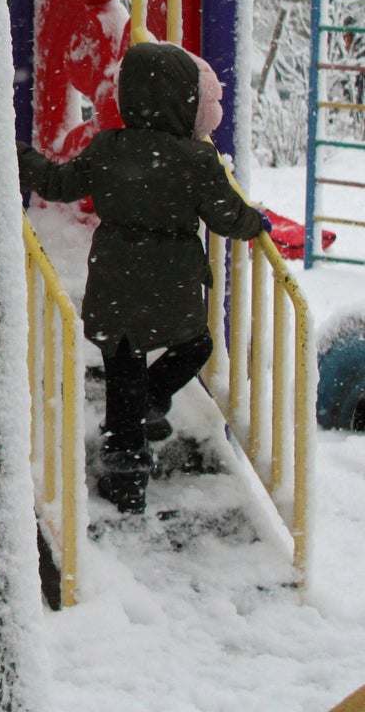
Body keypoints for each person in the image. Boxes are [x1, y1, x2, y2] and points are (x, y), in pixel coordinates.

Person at [18, 40, 267, 515]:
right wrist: (257, 222)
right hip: (169, 278)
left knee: (122, 370)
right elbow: (226, 216)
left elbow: (58, 184)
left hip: (115, 276)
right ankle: (152, 402)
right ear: (182, 102)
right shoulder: (196, 159)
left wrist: (23, 156)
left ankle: (126, 474)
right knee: (196, 346)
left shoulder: (109, 147)